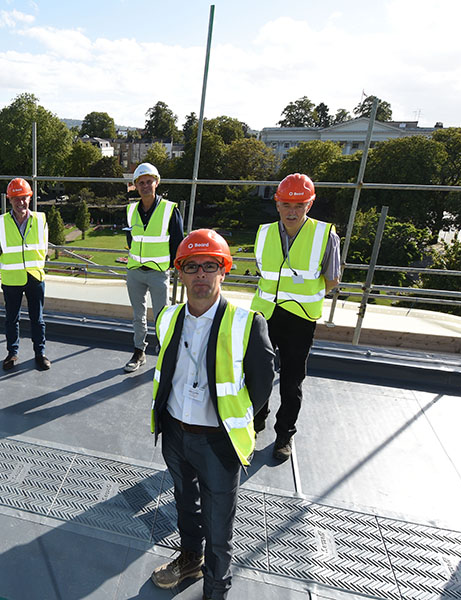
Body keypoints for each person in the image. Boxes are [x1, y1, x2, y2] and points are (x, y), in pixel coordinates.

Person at [149, 229, 274, 600]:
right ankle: (190, 558)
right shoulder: (168, 318)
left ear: (224, 271)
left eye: (210, 266)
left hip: (218, 441)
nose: (200, 274)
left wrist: (237, 418)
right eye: (192, 266)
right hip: (175, 433)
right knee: (186, 504)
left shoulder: (247, 323)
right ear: (180, 273)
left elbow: (263, 384)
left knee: (219, 523)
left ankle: (216, 588)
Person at [251, 173, 340, 462]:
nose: (292, 211)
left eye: (299, 205)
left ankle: (284, 435)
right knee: (257, 373)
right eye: (286, 204)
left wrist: (299, 295)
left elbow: (332, 279)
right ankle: (256, 420)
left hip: (300, 319)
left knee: (291, 380)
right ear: (277, 204)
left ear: (309, 205)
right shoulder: (264, 233)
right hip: (264, 314)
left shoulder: (325, 235)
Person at [123, 162, 184, 373]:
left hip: (159, 272)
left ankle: (165, 354)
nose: (145, 186)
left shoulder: (169, 209)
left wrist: (178, 268)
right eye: (141, 183)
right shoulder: (131, 210)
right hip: (135, 272)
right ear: (136, 186)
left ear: (157, 183)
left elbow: (178, 241)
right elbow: (130, 239)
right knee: (137, 315)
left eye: (149, 181)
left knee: (162, 316)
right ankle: (139, 352)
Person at [0, 177, 51, 371]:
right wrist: (9, 266)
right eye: (16, 198)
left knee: (38, 319)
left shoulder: (40, 219)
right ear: (9, 200)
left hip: (35, 277)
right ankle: (12, 353)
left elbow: (44, 247)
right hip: (11, 279)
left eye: (24, 197)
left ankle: (40, 354)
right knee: (11, 319)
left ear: (30, 198)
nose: (20, 202)